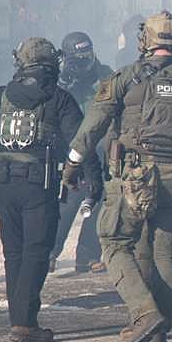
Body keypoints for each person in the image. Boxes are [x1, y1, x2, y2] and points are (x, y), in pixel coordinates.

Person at [62, 11, 172, 342]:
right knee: (165, 253)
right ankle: (158, 333)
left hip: (133, 177)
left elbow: (94, 123)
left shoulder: (125, 78)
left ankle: (144, 313)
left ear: (146, 41)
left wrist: (73, 163)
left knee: (113, 242)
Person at [0, 37, 102, 342]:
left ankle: (19, 320)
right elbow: (81, 142)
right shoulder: (60, 99)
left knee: (13, 254)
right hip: (40, 188)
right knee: (36, 253)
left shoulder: (0, 96)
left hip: (4, 188)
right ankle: (25, 323)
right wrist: (95, 179)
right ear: (52, 64)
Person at [49, 31, 114, 274]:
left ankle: (87, 256)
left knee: (97, 203)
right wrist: (64, 83)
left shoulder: (105, 75)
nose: (84, 62)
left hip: (98, 149)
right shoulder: (59, 81)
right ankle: (50, 253)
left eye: (87, 55)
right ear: (66, 59)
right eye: (77, 58)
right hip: (71, 150)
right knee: (67, 204)